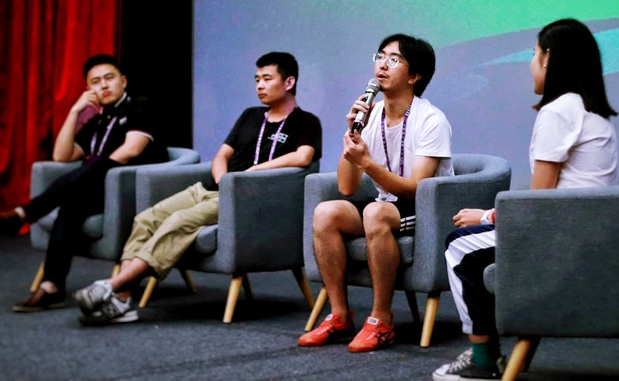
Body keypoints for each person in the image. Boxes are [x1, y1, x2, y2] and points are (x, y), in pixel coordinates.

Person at [73, 51, 322, 325]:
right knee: (146, 218)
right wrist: (223, 179)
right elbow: (221, 155)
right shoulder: (250, 116)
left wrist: (251, 174)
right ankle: (122, 299)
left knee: (178, 221)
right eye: (256, 80)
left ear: (288, 82)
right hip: (211, 189)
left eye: (267, 79)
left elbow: (303, 157)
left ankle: (111, 286)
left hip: (244, 199)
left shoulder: (306, 121)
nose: (260, 86)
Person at [432, 19, 619, 381]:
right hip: (593, 234)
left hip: (565, 237)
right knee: (472, 243)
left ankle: (482, 359)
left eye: (534, 54)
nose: (530, 63)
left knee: (459, 246)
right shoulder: (590, 109)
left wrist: (486, 216)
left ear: (549, 58)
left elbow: (538, 204)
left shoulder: (558, 111)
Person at [298, 34, 453, 352]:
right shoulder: (371, 115)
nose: (382, 64)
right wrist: (352, 132)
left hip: (424, 210)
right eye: (380, 56)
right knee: (325, 212)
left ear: (414, 75)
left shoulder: (431, 120)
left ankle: (381, 319)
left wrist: (367, 163)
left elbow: (418, 189)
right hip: (385, 205)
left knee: (375, 212)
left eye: (394, 59)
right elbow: (347, 187)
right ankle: (340, 315)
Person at [2, 54, 168, 312]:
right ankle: (51, 287)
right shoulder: (97, 120)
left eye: (109, 78)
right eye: (96, 82)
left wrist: (95, 168)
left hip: (135, 192)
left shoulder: (140, 106)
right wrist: (75, 111)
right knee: (70, 205)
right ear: (89, 89)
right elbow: (62, 155)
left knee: (93, 165)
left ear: (123, 81)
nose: (104, 85)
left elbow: (131, 150)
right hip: (100, 192)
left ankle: (26, 213)